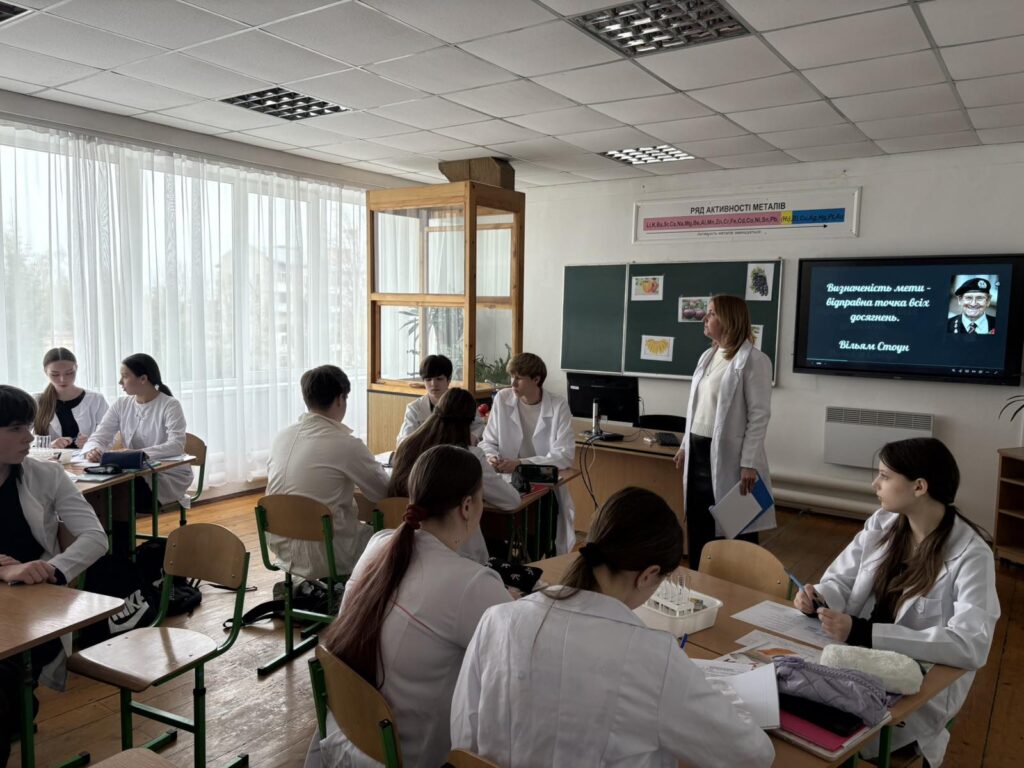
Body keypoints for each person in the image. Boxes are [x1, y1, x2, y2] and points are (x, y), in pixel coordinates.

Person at [451, 487, 774, 767]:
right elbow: (752, 756)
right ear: (648, 575)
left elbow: (463, 738)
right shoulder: (652, 658)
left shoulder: (498, 619)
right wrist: (724, 695)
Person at [795, 438, 999, 767]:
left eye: (885, 476)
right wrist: (818, 597)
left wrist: (863, 632)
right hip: (855, 655)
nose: (875, 484)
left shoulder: (972, 554)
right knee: (794, 708)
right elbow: (841, 580)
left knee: (825, 732)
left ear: (919, 487)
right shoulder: (883, 524)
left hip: (916, 686)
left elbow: (970, 644)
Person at [305, 445, 511, 768]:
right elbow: (517, 661)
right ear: (467, 506)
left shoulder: (380, 543)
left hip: (346, 736)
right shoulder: (472, 584)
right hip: (408, 757)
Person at [0, 385, 107, 767]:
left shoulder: (46, 474)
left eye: (28, 427)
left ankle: (15, 710)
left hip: (36, 608)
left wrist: (52, 570)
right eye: (16, 429)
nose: (29, 438)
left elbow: (95, 537)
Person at [674, 294, 774, 567]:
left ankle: (734, 583)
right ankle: (699, 575)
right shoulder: (708, 356)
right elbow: (696, 407)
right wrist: (684, 445)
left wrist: (749, 462)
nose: (704, 319)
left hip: (731, 458)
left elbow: (759, 416)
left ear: (729, 320)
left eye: (711, 313)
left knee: (734, 525)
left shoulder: (754, 360)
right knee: (699, 521)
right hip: (698, 454)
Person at [266, 365, 389, 580]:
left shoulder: (281, 437)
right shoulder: (346, 444)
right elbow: (383, 492)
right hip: (329, 553)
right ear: (340, 399)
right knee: (389, 537)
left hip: (281, 547)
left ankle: (307, 587)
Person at [389, 387, 522, 563]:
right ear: (470, 423)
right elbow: (511, 500)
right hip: (457, 552)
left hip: (410, 544)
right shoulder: (469, 455)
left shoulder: (407, 446)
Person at [478, 352, 576, 554]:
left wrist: (520, 463)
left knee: (537, 537)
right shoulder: (503, 399)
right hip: (506, 481)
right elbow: (488, 441)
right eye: (511, 377)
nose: (512, 383)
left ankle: (534, 557)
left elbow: (564, 455)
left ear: (536, 379)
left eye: (519, 378)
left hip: (542, 483)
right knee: (494, 532)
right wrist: (491, 457)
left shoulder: (558, 405)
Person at [82, 353, 193, 512]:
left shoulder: (170, 405)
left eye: (125, 376)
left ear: (143, 379)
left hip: (165, 475)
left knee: (112, 494)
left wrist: (136, 455)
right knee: (96, 491)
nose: (120, 382)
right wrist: (93, 450)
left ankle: (113, 528)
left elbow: (176, 445)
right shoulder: (121, 404)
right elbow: (100, 436)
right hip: (133, 472)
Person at [396, 355, 484, 445]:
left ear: (449, 380)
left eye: (439, 379)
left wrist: (471, 438)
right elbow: (404, 440)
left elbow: (478, 427)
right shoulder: (414, 408)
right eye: (428, 379)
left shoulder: (463, 402)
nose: (433, 384)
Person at [33, 347, 109, 449]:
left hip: (86, 458)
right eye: (55, 374)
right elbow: (20, 437)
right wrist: (48, 445)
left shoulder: (96, 399)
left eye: (69, 373)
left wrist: (92, 443)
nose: (63, 379)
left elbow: (110, 436)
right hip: (49, 458)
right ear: (45, 372)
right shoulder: (36, 401)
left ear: (76, 368)